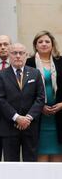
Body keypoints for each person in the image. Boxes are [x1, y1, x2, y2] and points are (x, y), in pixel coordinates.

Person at [0, 43, 45, 162]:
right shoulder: (1, 75)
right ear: (9, 55)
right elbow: (0, 99)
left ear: (26, 55)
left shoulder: (35, 73)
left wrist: (28, 118)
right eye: (14, 53)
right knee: (11, 165)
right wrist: (17, 118)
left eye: (21, 53)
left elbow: (40, 98)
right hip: (9, 127)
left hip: (30, 126)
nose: (18, 56)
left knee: (31, 164)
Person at [26, 31, 62, 162]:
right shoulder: (29, 63)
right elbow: (25, 91)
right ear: (35, 45)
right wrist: (39, 107)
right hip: (39, 117)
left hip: (59, 116)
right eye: (40, 42)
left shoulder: (60, 61)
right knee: (41, 158)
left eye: (47, 41)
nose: (44, 44)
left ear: (52, 45)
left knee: (58, 161)